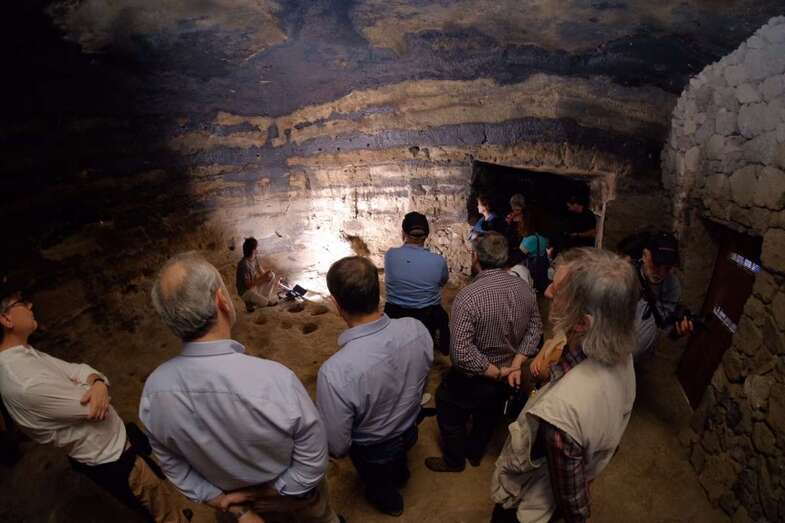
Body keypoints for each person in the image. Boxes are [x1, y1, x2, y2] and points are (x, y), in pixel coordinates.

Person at [141, 252, 342, 523]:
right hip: (293, 500)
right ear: (221, 300)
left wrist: (226, 502)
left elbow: (173, 466)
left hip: (234, 507)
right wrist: (272, 491)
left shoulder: (154, 392)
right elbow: (313, 461)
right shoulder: (274, 380)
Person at [0, 286, 188, 522]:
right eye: (21, 304)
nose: (30, 306)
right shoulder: (24, 381)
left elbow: (77, 370)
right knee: (157, 507)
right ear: (6, 319)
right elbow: (94, 408)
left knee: (156, 495)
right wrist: (95, 386)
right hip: (111, 456)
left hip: (113, 444)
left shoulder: (24, 354)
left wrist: (97, 382)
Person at [490, 248, 638, 523]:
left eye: (557, 291)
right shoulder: (621, 351)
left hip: (529, 509)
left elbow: (572, 500)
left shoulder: (562, 419)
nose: (547, 293)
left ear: (582, 323)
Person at [318, 256, 433, 516]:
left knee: (379, 484)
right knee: (399, 463)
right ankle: (400, 474)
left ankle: (391, 503)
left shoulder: (335, 372)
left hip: (374, 449)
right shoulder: (416, 329)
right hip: (410, 427)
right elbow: (423, 382)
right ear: (377, 290)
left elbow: (338, 446)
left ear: (336, 304)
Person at [425, 232, 542, 473]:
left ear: (475, 257)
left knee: (448, 408)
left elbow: (461, 353)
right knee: (488, 414)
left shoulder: (468, 297)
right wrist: (516, 363)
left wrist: (495, 372)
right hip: (509, 375)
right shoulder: (525, 290)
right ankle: (475, 453)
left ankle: (454, 460)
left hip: (476, 376)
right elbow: (535, 329)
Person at [384, 211, 450, 355]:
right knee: (444, 317)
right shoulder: (438, 260)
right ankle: (444, 350)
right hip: (426, 316)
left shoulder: (390, 255)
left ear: (404, 233)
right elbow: (442, 282)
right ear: (426, 235)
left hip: (395, 313)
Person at [631, 232, 692, 359]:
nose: (661, 273)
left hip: (635, 359)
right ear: (645, 255)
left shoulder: (672, 285)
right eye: (656, 264)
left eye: (667, 268)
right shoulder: (627, 275)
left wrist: (676, 332)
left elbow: (662, 324)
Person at [236, 237, 281, 311]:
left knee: (271, 275)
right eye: (256, 248)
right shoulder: (244, 265)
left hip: (253, 287)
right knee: (263, 301)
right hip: (246, 292)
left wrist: (267, 276)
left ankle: (261, 300)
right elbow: (248, 286)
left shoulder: (254, 258)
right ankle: (256, 302)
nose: (257, 250)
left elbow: (261, 271)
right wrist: (262, 278)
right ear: (253, 250)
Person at [518, 212, 551, 294]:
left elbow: (518, 256)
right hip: (542, 266)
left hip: (532, 268)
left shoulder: (531, 239)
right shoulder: (544, 236)